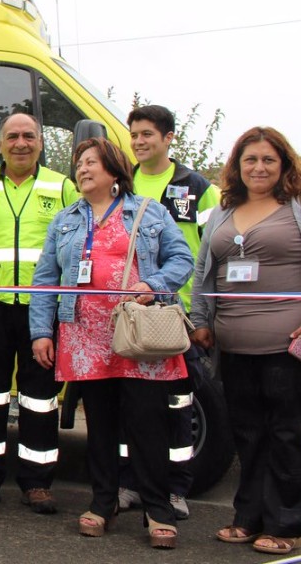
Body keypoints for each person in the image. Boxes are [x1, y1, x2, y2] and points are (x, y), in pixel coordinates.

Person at [30, 137, 193, 549]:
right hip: (85, 338)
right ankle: (103, 503)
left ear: (114, 171)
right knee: (99, 427)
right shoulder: (65, 220)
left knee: (147, 425)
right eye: (79, 163)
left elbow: (182, 260)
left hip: (140, 337)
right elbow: (45, 279)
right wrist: (41, 331)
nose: (82, 169)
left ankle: (157, 510)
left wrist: (152, 284)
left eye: (91, 163)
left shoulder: (149, 212)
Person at [189, 126, 301, 556]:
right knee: (248, 433)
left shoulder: (294, 207)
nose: (259, 167)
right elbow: (205, 271)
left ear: (284, 165)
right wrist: (200, 319)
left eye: (268, 160)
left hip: (285, 347)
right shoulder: (222, 210)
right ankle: (248, 518)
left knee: (286, 434)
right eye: (250, 160)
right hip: (231, 344)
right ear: (237, 166)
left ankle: (286, 522)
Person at [0, 113, 77, 514]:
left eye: (29, 136)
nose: (21, 143)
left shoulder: (62, 187)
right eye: (12, 136)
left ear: (41, 144)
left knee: (40, 399)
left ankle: (37, 483)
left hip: (40, 312)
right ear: (0, 144)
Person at [120, 104, 221, 519]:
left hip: (176, 316)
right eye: (135, 135)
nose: (140, 142)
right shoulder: (121, 181)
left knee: (180, 406)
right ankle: (129, 484)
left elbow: (215, 253)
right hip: (130, 314)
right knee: (130, 407)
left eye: (148, 134)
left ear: (168, 138)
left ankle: (176, 490)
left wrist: (202, 318)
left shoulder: (196, 187)